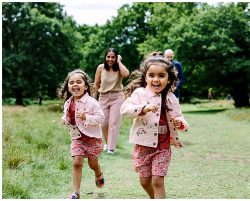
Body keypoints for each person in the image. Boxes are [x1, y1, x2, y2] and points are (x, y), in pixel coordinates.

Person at [120, 56, 189, 199]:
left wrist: (179, 122)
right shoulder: (140, 93)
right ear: (146, 77)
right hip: (143, 145)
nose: (156, 79)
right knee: (145, 181)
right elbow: (124, 110)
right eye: (151, 75)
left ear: (168, 79)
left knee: (158, 180)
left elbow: (180, 116)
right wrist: (142, 108)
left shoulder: (171, 98)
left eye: (161, 76)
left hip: (162, 147)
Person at [58, 69, 105, 199]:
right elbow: (67, 115)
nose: (75, 84)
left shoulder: (92, 102)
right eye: (71, 82)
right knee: (77, 162)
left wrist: (87, 117)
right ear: (68, 86)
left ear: (85, 86)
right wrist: (64, 119)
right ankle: (76, 192)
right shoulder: (68, 102)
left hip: (92, 139)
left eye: (79, 82)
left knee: (92, 164)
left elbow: (101, 118)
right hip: (77, 138)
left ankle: (98, 172)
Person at [93, 48, 130, 154]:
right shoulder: (100, 68)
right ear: (105, 57)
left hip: (117, 97)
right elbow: (96, 84)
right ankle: (108, 143)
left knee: (113, 123)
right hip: (103, 97)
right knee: (103, 123)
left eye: (113, 57)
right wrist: (93, 99)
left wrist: (119, 61)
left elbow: (126, 74)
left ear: (116, 57)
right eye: (108, 57)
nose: (110, 59)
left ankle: (111, 148)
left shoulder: (119, 68)